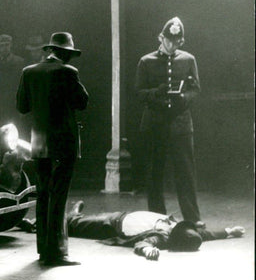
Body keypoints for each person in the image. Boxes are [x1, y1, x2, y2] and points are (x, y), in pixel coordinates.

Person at [16, 32, 89, 266]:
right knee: (59, 195)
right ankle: (57, 252)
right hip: (64, 142)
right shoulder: (68, 73)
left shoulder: (29, 72)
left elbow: (22, 107)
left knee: (44, 193)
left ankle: (43, 251)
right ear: (65, 53)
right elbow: (83, 102)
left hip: (38, 141)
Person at [135, 17, 203, 227]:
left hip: (181, 125)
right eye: (170, 40)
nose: (173, 45)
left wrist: (184, 98)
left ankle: (192, 219)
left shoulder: (188, 59)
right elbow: (139, 93)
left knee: (186, 173)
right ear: (161, 38)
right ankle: (157, 219)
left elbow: (195, 89)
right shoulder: (146, 61)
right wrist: (157, 92)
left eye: (177, 41)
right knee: (155, 173)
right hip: (155, 124)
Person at [65, 200, 245, 261]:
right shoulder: (177, 228)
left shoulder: (163, 236)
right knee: (85, 220)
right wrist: (229, 231)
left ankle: (71, 216)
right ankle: (75, 214)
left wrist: (148, 250)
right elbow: (208, 235)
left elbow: (144, 243)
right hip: (122, 215)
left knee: (72, 225)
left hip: (112, 225)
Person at [0, 34, 25, 125]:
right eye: (1, 46)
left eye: (7, 45)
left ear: (11, 45)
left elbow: (22, 83)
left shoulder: (19, 62)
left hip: (14, 102)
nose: (5, 48)